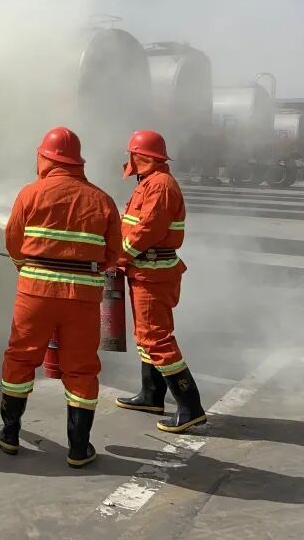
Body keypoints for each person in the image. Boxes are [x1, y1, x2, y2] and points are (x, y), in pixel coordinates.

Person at [0, 127, 122, 468]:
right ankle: (78, 448)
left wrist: (26, 267)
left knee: (20, 358)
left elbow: (13, 241)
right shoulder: (103, 200)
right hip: (83, 295)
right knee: (81, 367)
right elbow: (113, 253)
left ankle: (9, 433)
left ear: (45, 158)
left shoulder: (30, 193)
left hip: (35, 292)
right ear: (77, 162)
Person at [114, 130, 207, 433]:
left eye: (132, 154)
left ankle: (190, 406)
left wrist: (119, 256)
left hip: (152, 273)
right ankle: (151, 395)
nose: (129, 160)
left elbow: (147, 230)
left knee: (156, 338)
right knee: (146, 335)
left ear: (141, 156)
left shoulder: (160, 186)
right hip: (145, 270)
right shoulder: (150, 182)